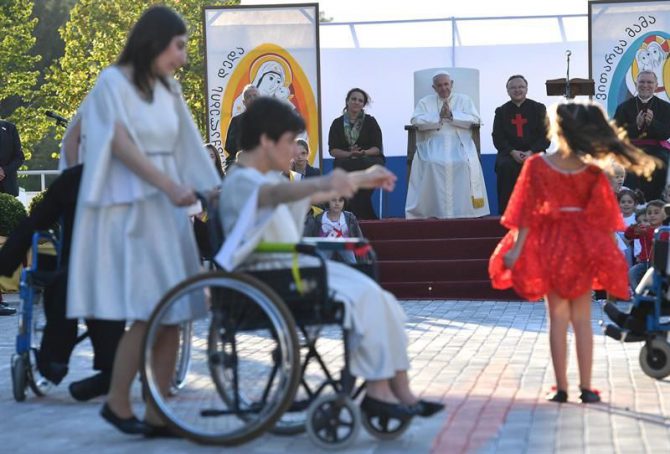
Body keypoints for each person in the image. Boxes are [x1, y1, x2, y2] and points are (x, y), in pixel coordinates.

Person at [217, 97, 444, 420]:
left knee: (383, 301)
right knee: (370, 297)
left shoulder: (269, 179)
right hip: (271, 279)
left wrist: (361, 179)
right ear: (267, 141)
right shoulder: (243, 181)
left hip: (292, 270)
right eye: (289, 143)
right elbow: (278, 196)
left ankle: (391, 389)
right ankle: (382, 392)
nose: (296, 152)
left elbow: (309, 192)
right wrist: (327, 181)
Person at [62, 6, 220, 436]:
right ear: (155, 40)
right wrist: (168, 184)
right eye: (179, 46)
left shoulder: (168, 89)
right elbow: (118, 142)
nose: (183, 57)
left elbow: (188, 140)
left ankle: (156, 411)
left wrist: (217, 187)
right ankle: (118, 403)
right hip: (132, 211)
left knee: (175, 310)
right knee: (151, 310)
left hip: (166, 213)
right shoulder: (111, 82)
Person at [489, 101, 655, 404]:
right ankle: (588, 387)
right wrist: (610, 255)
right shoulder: (592, 170)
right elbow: (604, 218)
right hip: (582, 246)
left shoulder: (537, 165)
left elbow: (526, 211)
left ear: (555, 129)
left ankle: (561, 387)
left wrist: (517, 248)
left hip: (551, 245)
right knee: (581, 319)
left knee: (557, 319)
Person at [0, 164, 125, 400]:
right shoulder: (75, 178)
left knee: (99, 287)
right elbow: (35, 222)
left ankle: (108, 372)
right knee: (66, 285)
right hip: (77, 265)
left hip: (124, 264)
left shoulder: (135, 178)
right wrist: (5, 262)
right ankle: (53, 362)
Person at [405, 71, 489, 219]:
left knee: (463, 162)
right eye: (439, 85)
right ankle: (433, 210)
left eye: (446, 84)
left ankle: (463, 211)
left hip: (460, 141)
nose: (443, 88)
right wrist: (437, 117)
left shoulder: (464, 100)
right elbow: (416, 120)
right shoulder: (425, 102)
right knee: (431, 162)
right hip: (433, 140)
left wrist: (452, 115)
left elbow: (475, 119)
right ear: (434, 87)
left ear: (452, 84)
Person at [492, 75, 550, 214]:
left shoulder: (538, 108)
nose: (517, 90)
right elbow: (497, 137)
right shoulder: (501, 111)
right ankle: (508, 215)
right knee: (505, 167)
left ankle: (540, 213)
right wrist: (512, 152)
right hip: (509, 154)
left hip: (534, 152)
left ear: (526, 89)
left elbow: (547, 135)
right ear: (507, 90)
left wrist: (531, 152)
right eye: (513, 87)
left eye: (521, 87)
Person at [328, 88, 385, 220]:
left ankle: (355, 218)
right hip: (346, 160)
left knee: (364, 165)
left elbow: (377, 148)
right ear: (347, 101)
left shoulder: (371, 122)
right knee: (346, 166)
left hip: (368, 159)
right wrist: (349, 154)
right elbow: (333, 150)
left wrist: (363, 152)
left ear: (363, 104)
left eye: (360, 100)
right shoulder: (337, 123)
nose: (356, 102)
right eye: (353, 99)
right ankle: (363, 219)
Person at [614, 70, 670, 201]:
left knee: (661, 165)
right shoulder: (623, 107)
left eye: (650, 82)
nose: (646, 85)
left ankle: (656, 205)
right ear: (636, 84)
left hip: (657, 151)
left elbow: (666, 133)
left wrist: (652, 123)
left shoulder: (666, 107)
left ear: (656, 85)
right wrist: (636, 126)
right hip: (631, 149)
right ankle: (631, 206)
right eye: (642, 82)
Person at [0, 118, 24, 315]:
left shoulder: (9, 128)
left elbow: (19, 157)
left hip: (8, 192)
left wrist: (4, 171)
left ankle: (25, 284)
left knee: (17, 240)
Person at [304, 196, 363, 264]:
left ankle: (355, 267)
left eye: (340, 201)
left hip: (345, 255)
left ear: (344, 202)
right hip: (325, 255)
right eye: (334, 200)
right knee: (331, 239)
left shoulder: (350, 218)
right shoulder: (318, 218)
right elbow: (313, 239)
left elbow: (358, 238)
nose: (337, 203)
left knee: (342, 240)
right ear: (328, 201)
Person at [224, 84, 259, 171]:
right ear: (244, 102)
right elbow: (229, 146)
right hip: (242, 164)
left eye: (255, 96)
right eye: (249, 97)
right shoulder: (236, 121)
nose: (252, 99)